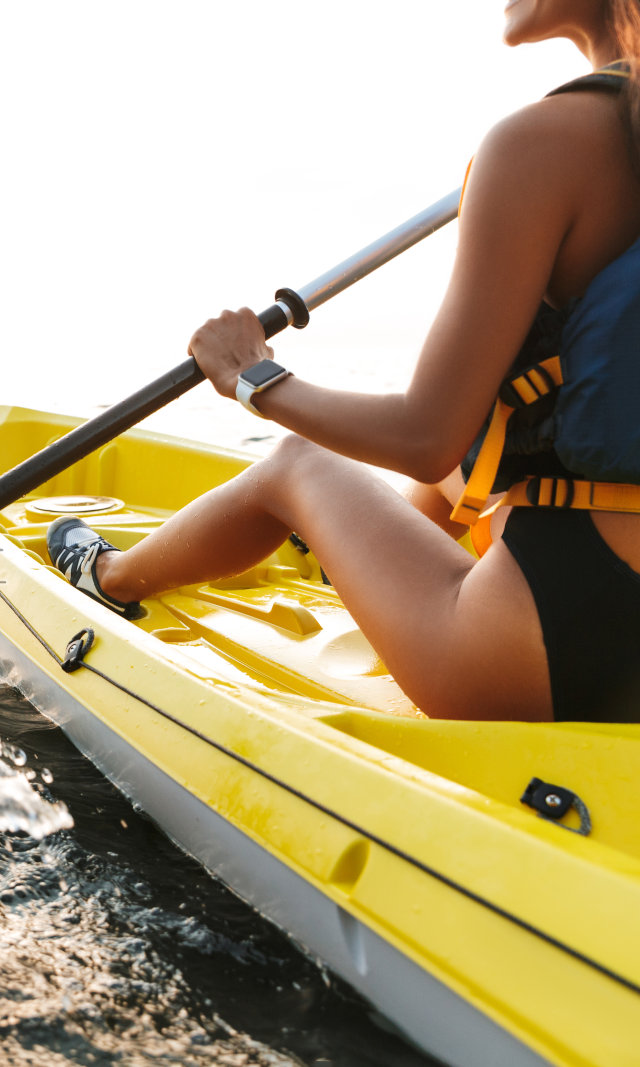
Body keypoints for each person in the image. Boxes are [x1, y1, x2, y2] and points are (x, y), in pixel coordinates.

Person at [48, 0, 640, 724]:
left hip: (561, 651)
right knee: (474, 463)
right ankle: (358, 563)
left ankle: (108, 576)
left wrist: (252, 376)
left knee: (298, 464)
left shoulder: (542, 141)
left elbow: (425, 437)